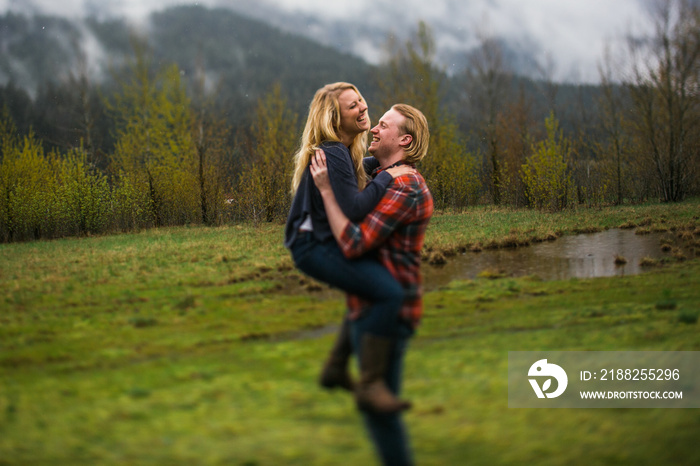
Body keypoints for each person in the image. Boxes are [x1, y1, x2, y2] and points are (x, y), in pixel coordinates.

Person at [310, 103, 433, 466]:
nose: (374, 129)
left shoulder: (405, 184)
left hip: (388, 313)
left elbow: (353, 243)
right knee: (376, 413)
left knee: (380, 415)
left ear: (404, 140)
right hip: (370, 303)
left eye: (383, 125)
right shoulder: (384, 173)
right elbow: (353, 164)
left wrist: (327, 191)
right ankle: (336, 369)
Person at [284, 82, 414, 413]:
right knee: (389, 293)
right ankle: (370, 384)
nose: (362, 108)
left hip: (314, 244)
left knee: (370, 290)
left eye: (360, 100)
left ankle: (336, 367)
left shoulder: (342, 153)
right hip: (313, 246)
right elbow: (354, 208)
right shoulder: (333, 151)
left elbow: (354, 175)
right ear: (334, 118)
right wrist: (391, 175)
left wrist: (380, 167)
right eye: (351, 106)